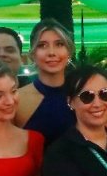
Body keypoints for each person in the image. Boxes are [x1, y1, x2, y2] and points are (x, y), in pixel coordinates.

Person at [15, 19, 75, 147]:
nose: (51, 53)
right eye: (42, 45)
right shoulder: (17, 99)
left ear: (69, 51)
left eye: (59, 44)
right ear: (33, 54)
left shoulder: (84, 95)